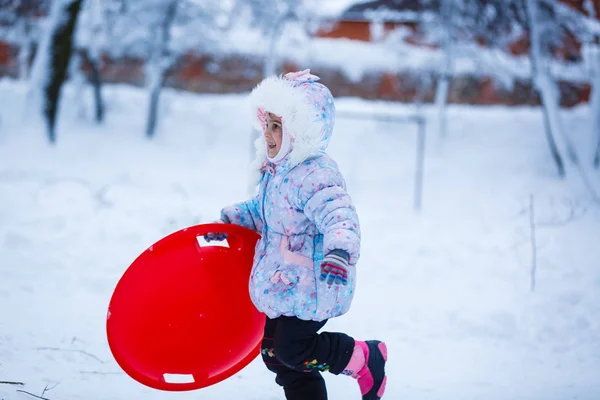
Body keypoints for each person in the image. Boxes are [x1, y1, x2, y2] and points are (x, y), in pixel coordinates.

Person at [207, 69, 387, 400]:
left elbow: (339, 214)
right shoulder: (277, 173)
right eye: (267, 125)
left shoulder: (315, 173)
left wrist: (340, 250)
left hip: (315, 281)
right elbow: (266, 214)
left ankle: (363, 357)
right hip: (284, 283)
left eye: (278, 126)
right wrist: (234, 220)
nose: (270, 134)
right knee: (277, 356)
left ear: (300, 131)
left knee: (293, 350)